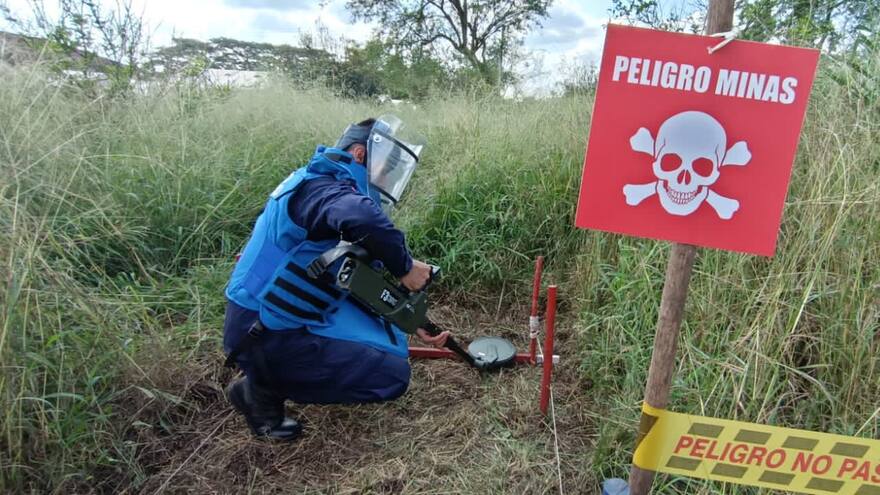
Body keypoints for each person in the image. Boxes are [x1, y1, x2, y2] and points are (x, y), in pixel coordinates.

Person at [222, 115, 450, 440]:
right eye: (386, 167)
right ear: (359, 155)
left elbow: (351, 273)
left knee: (389, 343)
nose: (386, 178)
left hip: (280, 313)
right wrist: (405, 267)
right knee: (391, 375)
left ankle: (268, 374)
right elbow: (362, 218)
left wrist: (411, 321)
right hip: (260, 328)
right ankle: (259, 390)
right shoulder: (323, 188)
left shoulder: (316, 183)